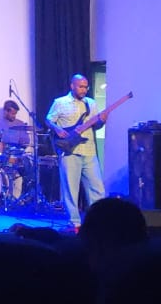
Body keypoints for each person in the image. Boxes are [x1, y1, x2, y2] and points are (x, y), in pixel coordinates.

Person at [46, 74, 107, 229]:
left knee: (97, 188)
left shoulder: (91, 103)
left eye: (86, 87)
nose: (84, 90)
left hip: (89, 150)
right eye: (81, 86)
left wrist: (102, 121)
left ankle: (98, 221)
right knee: (70, 189)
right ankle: (74, 223)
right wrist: (57, 129)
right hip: (69, 152)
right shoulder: (60, 102)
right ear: (72, 86)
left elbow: (96, 126)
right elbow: (48, 120)